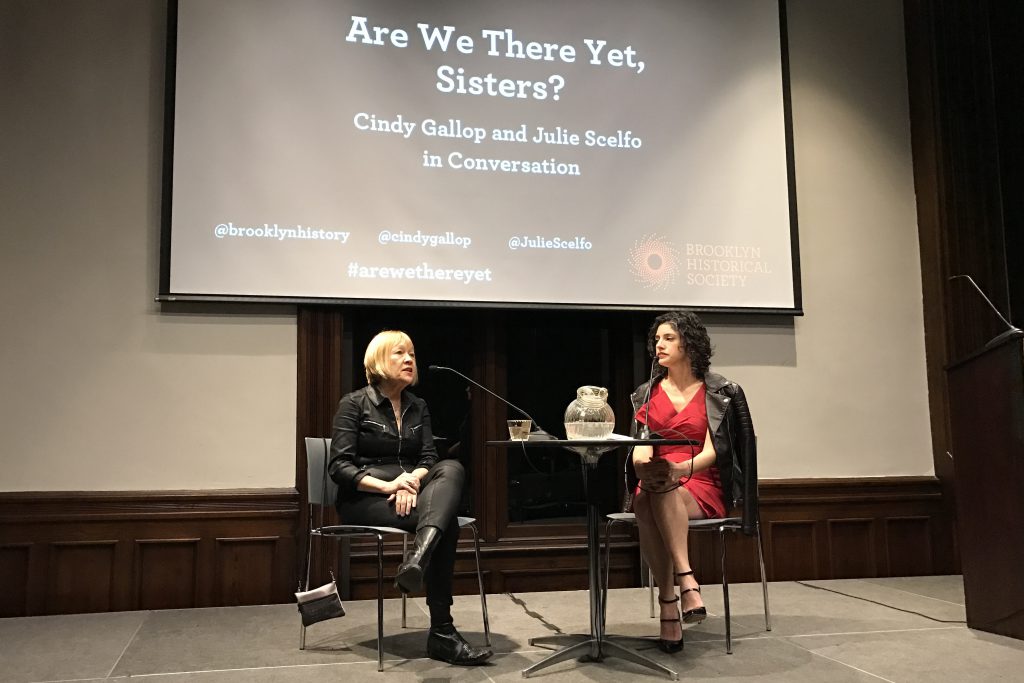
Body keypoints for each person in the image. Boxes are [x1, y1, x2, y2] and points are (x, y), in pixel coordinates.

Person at [328, 330, 492, 666]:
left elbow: (429, 458)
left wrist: (413, 482)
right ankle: (442, 633)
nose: (409, 361)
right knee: (445, 522)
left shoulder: (418, 406)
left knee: (451, 466)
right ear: (378, 361)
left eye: (412, 355)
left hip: (413, 495)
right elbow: (339, 467)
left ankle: (417, 559)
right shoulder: (354, 403)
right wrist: (390, 486)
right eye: (400, 354)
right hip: (366, 499)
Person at [628, 311, 755, 653]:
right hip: (659, 478)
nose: (659, 345)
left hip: (701, 479)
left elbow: (716, 451)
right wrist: (646, 469)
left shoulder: (717, 391)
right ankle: (685, 584)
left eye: (668, 338)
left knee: (652, 495)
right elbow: (640, 451)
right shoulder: (647, 393)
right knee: (648, 492)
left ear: (690, 342)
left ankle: (669, 600)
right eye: (656, 339)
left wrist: (678, 470)